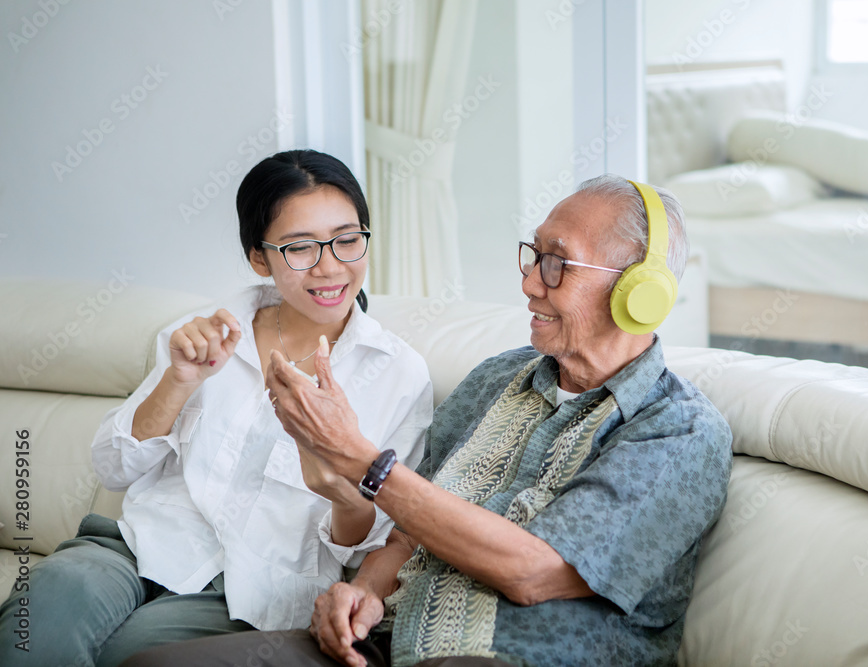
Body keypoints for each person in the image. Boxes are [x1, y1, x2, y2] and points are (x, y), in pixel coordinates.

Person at [123, 174, 733, 667]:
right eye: (533, 254)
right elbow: (407, 535)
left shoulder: (677, 432)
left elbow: (532, 572)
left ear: (639, 292)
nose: (527, 282)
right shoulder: (498, 378)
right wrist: (361, 594)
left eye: (556, 264)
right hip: (387, 643)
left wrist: (358, 460)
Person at [0, 150, 433, 667]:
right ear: (259, 258)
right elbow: (113, 468)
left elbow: (370, 547)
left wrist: (343, 494)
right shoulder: (205, 334)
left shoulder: (398, 374)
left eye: (346, 239)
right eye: (299, 248)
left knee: (126, 655)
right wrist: (180, 380)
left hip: (247, 591)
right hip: (133, 547)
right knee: (38, 618)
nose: (330, 266)